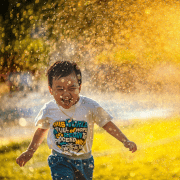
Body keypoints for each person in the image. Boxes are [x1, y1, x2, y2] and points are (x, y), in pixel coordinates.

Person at [16, 61, 137, 180]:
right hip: (60, 159)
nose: (66, 94)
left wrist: (125, 140)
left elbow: (106, 124)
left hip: (85, 161)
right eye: (60, 89)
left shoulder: (90, 106)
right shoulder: (49, 109)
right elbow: (41, 130)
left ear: (79, 87)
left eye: (71, 88)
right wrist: (30, 151)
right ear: (51, 90)